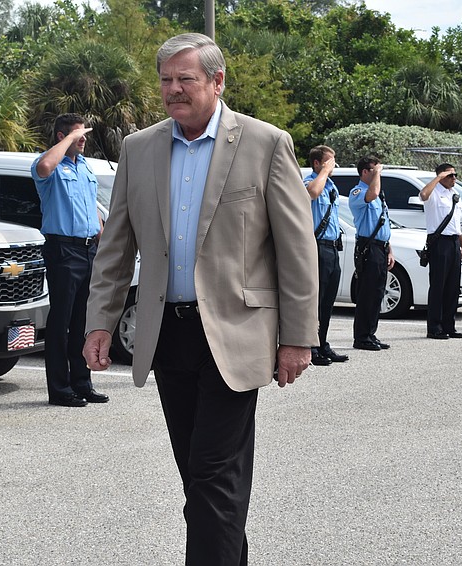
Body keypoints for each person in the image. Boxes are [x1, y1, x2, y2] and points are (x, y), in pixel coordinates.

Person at [82, 33, 318, 565]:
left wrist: (298, 338)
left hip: (236, 334)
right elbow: (116, 246)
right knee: (201, 477)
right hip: (167, 334)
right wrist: (100, 323)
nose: (173, 89)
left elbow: (296, 248)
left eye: (185, 78)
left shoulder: (264, 143)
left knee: (213, 476)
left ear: (217, 81)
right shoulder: (138, 149)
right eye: (165, 79)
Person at [31, 113, 108, 408]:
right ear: (63, 137)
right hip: (63, 250)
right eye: (79, 135)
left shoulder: (84, 167)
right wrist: (69, 140)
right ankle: (60, 388)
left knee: (82, 322)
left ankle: (82, 382)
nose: (84, 139)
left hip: (88, 249)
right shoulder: (50, 165)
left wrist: (102, 242)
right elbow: (45, 166)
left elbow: (93, 211)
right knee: (61, 321)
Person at [304, 145, 348, 366]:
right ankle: (310, 347)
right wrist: (323, 171)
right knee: (316, 300)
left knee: (328, 300)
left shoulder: (331, 186)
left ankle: (322, 344)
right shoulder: (309, 181)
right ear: (317, 163)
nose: (333, 165)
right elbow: (311, 193)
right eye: (329, 161)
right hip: (316, 246)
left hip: (332, 247)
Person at [349, 155, 393, 351]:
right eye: (374, 170)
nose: (379, 174)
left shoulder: (378, 193)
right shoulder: (359, 191)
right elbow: (372, 194)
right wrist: (377, 175)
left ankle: (370, 333)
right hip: (368, 247)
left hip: (380, 247)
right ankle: (361, 337)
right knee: (367, 293)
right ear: (365, 172)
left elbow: (383, 222)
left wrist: (389, 248)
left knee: (377, 293)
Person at [419, 163, 462, 339]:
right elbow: (423, 195)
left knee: (452, 287)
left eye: (455, 175)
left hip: (453, 241)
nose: (454, 178)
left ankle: (449, 325)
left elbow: (456, 222)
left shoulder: (454, 194)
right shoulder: (434, 193)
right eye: (450, 175)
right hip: (439, 243)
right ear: (441, 176)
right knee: (438, 286)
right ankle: (434, 327)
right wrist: (438, 177)